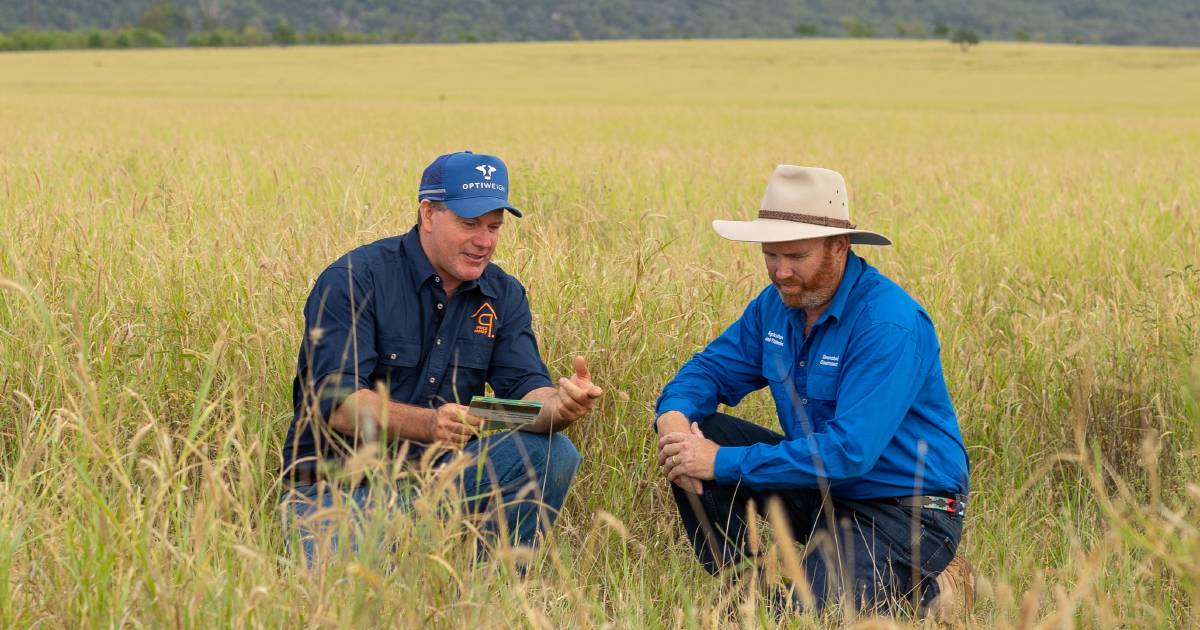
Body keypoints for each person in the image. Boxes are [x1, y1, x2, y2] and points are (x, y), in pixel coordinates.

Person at [654, 165, 972, 614]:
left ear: (839, 246)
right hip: (823, 492)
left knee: (809, 617)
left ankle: (930, 590)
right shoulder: (775, 306)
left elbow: (849, 452)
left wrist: (720, 462)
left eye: (796, 257)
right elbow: (707, 371)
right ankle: (742, 595)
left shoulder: (888, 323)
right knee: (697, 433)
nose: (780, 272)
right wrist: (674, 422)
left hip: (905, 510)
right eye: (770, 255)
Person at [281, 150, 602, 564]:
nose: (484, 241)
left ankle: (494, 587)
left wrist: (560, 406)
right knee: (347, 602)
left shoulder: (503, 295)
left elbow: (525, 397)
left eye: (494, 227)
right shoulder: (354, 280)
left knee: (553, 452)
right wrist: (429, 424)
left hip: (440, 482)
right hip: (337, 489)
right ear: (428, 213)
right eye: (469, 224)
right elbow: (336, 405)